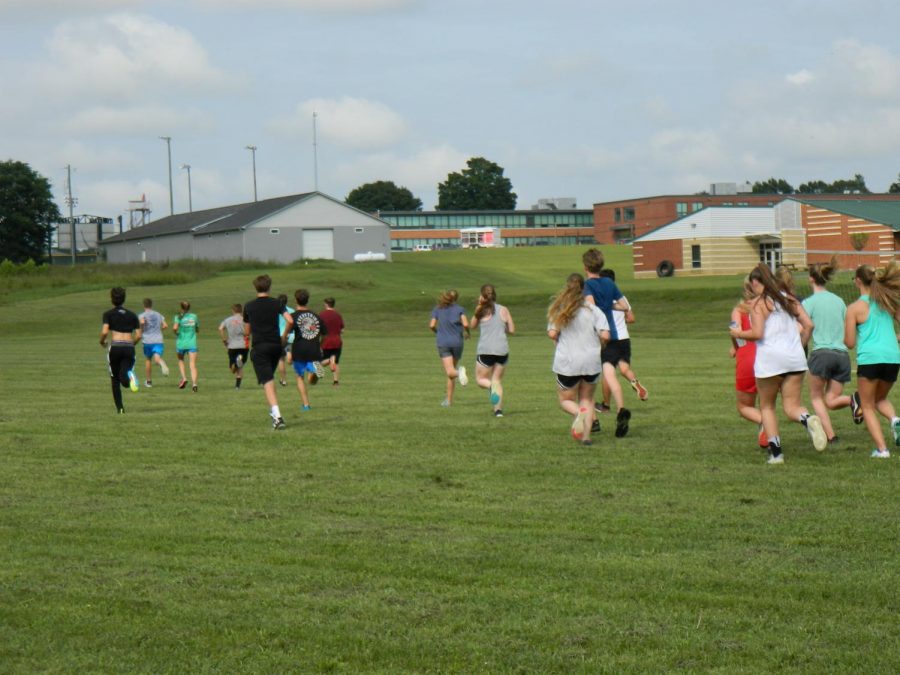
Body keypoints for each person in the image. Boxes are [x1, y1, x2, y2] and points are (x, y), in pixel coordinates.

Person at [730, 263, 826, 464]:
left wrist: (738, 334)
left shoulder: (758, 303)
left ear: (756, 282)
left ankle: (776, 454)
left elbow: (757, 333)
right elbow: (809, 325)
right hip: (795, 359)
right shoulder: (788, 299)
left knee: (767, 407)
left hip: (770, 361)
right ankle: (808, 420)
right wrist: (801, 345)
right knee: (793, 406)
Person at [844, 261, 900, 458]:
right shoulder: (887, 301)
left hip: (870, 359)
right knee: (879, 399)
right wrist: (894, 339)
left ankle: (882, 450)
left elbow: (850, 343)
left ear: (858, 281)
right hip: (893, 357)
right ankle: (894, 420)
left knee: (867, 405)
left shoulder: (854, 308)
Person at [547, 273, 610, 446]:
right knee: (587, 399)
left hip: (568, 362)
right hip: (591, 361)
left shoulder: (560, 309)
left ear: (567, 288)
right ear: (583, 289)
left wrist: (558, 333)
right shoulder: (593, 309)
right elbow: (605, 334)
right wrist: (600, 341)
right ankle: (586, 437)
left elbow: (552, 333)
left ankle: (578, 413)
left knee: (566, 400)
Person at [582, 248, 633, 437]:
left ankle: (597, 418)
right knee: (611, 375)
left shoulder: (588, 285)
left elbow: (590, 306)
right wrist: (610, 305)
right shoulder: (609, 283)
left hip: (599, 336)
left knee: (595, 378)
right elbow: (625, 306)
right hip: (615, 336)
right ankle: (620, 410)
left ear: (585, 266)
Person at [802, 258, 852, 446]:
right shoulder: (839, 301)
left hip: (821, 355)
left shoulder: (809, 303)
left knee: (816, 397)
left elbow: (803, 328)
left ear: (811, 279)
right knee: (832, 400)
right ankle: (855, 400)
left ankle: (831, 436)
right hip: (842, 356)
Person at [243, 274, 294, 430]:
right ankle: (273, 411)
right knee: (269, 379)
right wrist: (284, 335)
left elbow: (247, 331)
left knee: (267, 381)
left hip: (260, 347)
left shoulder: (249, 306)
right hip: (276, 346)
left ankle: (277, 416)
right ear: (269, 287)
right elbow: (290, 320)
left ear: (255, 287)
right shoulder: (277, 303)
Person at [595, 269, 648, 414]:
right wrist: (621, 320)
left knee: (608, 373)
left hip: (610, 340)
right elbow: (631, 318)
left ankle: (605, 405)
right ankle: (635, 383)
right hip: (624, 339)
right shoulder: (621, 297)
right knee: (624, 368)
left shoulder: (600, 298)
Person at [730, 278, 768, 449]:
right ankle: (766, 428)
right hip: (768, 357)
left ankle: (765, 423)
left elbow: (734, 331)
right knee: (767, 403)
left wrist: (735, 348)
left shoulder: (739, 310)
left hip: (747, 358)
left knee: (744, 406)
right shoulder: (768, 307)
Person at [469, 284, 515, 417]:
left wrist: (478, 305)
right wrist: (501, 327)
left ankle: (491, 388)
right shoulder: (504, 309)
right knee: (496, 380)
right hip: (502, 351)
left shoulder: (481, 309)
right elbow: (511, 330)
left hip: (486, 350)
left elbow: (472, 326)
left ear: (482, 296)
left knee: (481, 380)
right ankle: (498, 411)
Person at [99, 286, 142, 413]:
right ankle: (130, 379)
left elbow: (105, 331)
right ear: (124, 299)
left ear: (112, 300)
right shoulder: (132, 315)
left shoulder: (108, 314)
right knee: (124, 378)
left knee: (115, 379)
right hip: (129, 347)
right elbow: (139, 335)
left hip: (116, 347)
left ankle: (120, 409)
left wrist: (102, 341)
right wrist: (132, 344)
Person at [286, 289, 326, 411]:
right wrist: (320, 344)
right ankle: (315, 371)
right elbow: (324, 334)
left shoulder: (293, 316)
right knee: (312, 378)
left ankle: (306, 405)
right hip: (314, 349)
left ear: (296, 300)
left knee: (299, 377)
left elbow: (288, 334)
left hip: (299, 350)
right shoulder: (316, 316)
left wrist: (287, 349)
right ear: (307, 300)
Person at [429, 289, 470, 407]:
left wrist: (438, 333)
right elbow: (466, 324)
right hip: (457, 342)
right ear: (456, 298)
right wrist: (467, 333)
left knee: (451, 372)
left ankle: (460, 372)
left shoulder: (437, 309)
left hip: (443, 343)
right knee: (450, 373)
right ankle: (448, 401)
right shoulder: (460, 309)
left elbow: (431, 325)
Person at [139, 297, 169, 387]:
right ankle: (161, 362)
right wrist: (158, 330)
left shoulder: (141, 315)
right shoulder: (158, 314)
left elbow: (142, 324)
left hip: (147, 340)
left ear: (144, 305)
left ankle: (148, 382)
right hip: (158, 340)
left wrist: (142, 326)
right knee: (157, 358)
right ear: (151, 305)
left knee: (148, 359)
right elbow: (165, 325)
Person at [219, 303, 249, 390]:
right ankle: (237, 386)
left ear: (233, 311)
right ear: (241, 310)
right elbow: (248, 332)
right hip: (243, 345)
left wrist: (224, 339)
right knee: (240, 366)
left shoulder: (227, 320)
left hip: (232, 346)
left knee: (233, 369)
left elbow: (220, 328)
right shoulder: (245, 319)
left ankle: (235, 364)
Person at [173, 300, 199, 392]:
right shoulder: (194, 316)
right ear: (189, 307)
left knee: (181, 360)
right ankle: (194, 385)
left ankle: (184, 378)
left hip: (181, 343)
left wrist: (177, 333)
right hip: (192, 343)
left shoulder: (178, 317)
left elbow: (175, 328)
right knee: (192, 365)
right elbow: (197, 329)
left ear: (181, 307)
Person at [319, 296, 344, 386]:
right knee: (336, 361)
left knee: (322, 361)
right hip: (337, 341)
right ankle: (336, 381)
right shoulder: (338, 315)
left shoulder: (321, 315)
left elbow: (318, 329)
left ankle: (328, 361)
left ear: (326, 304)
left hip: (326, 342)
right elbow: (342, 330)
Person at [276, 293, 291, 386]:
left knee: (281, 360)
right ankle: (290, 355)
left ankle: (283, 380)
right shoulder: (291, 310)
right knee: (288, 353)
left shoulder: (275, 311)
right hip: (290, 336)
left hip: (279, 336)